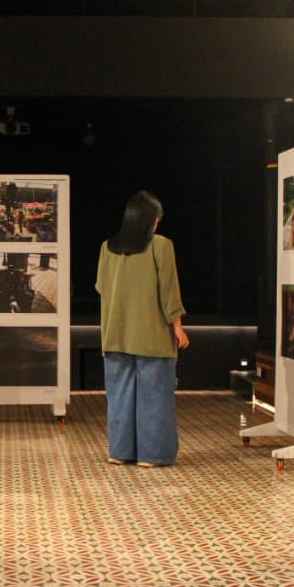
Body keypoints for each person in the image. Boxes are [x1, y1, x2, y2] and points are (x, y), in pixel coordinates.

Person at [95, 190, 189, 468]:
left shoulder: (107, 247)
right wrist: (178, 327)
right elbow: (169, 292)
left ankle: (121, 451)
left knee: (120, 396)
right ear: (152, 220)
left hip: (115, 334)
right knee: (155, 395)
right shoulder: (161, 246)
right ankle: (153, 454)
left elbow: (101, 287)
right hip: (152, 335)